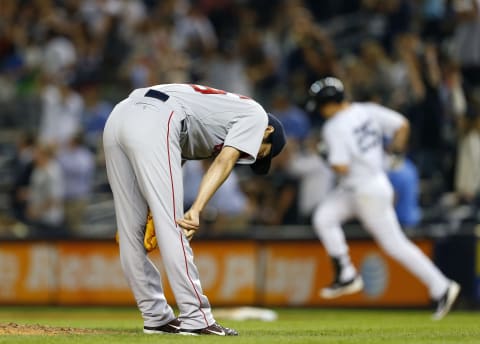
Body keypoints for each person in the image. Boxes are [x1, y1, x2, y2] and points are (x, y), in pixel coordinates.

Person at [103, 83, 286, 336]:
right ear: (268, 130)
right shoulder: (256, 115)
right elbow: (226, 160)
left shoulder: (216, 126)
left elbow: (169, 158)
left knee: (131, 230)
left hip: (120, 116)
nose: (253, 154)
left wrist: (151, 211)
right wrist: (196, 209)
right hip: (158, 115)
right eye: (262, 151)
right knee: (176, 226)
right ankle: (196, 318)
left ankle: (156, 317)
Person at [307, 77, 460, 320]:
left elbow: (341, 166)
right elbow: (402, 125)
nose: (321, 112)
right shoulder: (367, 110)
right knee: (324, 217)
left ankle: (441, 286)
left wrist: (325, 155)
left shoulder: (334, 127)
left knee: (395, 244)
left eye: (321, 106)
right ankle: (345, 273)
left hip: (365, 190)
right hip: (364, 185)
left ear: (328, 103)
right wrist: (394, 154)